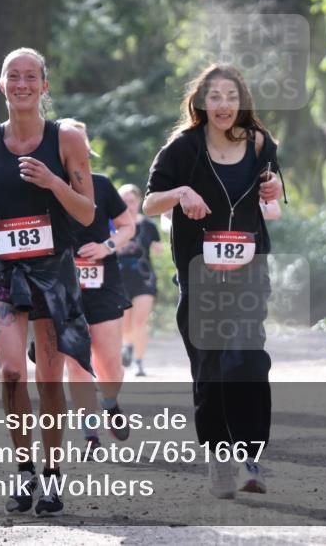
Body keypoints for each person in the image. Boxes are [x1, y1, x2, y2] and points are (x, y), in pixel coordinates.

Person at [0, 47, 95, 517]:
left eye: (32, 77)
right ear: (2, 84)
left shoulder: (67, 139)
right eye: (14, 76)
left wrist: (54, 182)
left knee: (50, 376)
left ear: (44, 86)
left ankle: (52, 477)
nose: (23, 84)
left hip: (52, 270)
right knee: (12, 372)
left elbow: (88, 213)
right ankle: (24, 472)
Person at [142, 64, 284, 499]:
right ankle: (219, 456)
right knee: (209, 370)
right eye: (215, 96)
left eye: (231, 95)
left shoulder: (261, 143)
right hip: (199, 277)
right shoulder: (183, 149)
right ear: (201, 103)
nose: (223, 104)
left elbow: (273, 199)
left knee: (246, 360)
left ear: (242, 102)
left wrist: (275, 187)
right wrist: (180, 195)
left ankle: (250, 458)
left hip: (249, 271)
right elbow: (149, 203)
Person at [57, 119, 136, 449]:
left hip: (103, 283)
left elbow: (127, 226)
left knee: (109, 362)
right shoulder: (50, 187)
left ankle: (111, 402)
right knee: (77, 362)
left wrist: (107, 247)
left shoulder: (102, 185)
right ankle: (90, 432)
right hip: (64, 286)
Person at [116, 184, 163, 377]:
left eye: (132, 201)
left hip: (144, 278)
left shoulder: (148, 225)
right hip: (119, 280)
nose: (129, 205)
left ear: (139, 202)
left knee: (140, 321)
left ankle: (139, 362)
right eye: (124, 202)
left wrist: (159, 247)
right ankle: (127, 346)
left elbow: (159, 246)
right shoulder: (113, 224)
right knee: (125, 324)